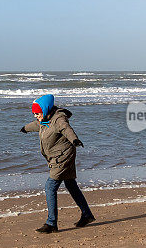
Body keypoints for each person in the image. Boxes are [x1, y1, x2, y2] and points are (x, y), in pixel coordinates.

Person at [20, 94, 95, 233]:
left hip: (62, 157)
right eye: (34, 114)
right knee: (70, 184)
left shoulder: (59, 119)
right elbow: (37, 125)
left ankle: (51, 223)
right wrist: (25, 128)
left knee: (50, 186)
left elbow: (66, 129)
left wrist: (75, 140)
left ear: (45, 109)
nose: (36, 116)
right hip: (58, 156)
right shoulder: (44, 119)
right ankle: (87, 215)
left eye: (37, 113)